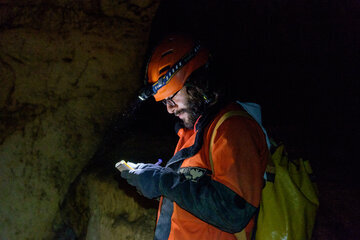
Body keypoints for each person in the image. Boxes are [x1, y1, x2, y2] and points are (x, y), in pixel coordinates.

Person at [120, 34, 270, 240]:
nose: (170, 109)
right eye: (164, 102)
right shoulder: (192, 132)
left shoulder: (233, 129)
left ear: (197, 84)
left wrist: (162, 181)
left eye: (172, 98)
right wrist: (151, 178)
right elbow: (192, 193)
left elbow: (233, 211)